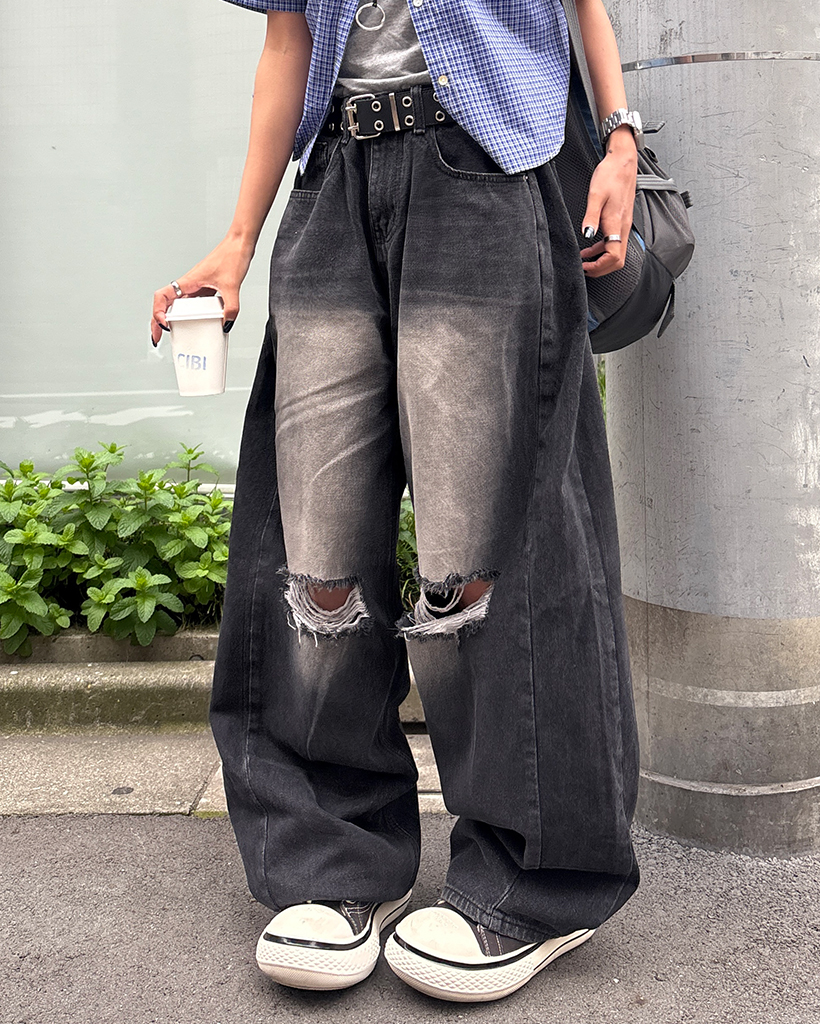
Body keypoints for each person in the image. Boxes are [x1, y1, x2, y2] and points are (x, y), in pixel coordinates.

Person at [152, 0, 641, 1004]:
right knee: (316, 554)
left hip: (481, 177)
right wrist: (238, 238)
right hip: (331, 181)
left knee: (479, 556)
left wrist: (619, 138)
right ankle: (333, 859)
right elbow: (287, 36)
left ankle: (533, 881)